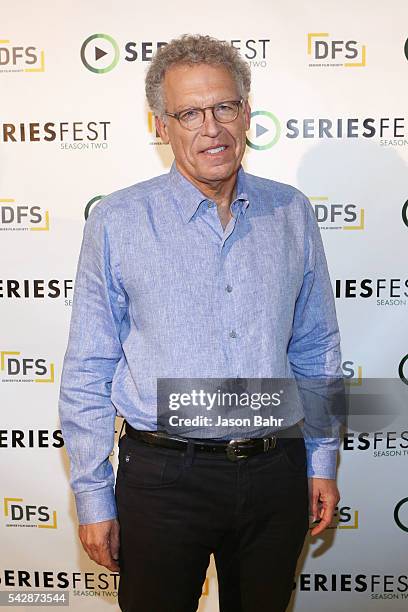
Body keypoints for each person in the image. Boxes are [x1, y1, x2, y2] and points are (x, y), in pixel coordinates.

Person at [58, 34, 343, 612]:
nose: (211, 128)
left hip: (275, 473)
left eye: (225, 107)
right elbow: (88, 367)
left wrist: (321, 460)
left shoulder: (292, 212)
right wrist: (93, 496)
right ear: (161, 126)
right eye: (189, 113)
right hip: (162, 480)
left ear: (246, 113)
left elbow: (317, 350)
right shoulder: (118, 222)